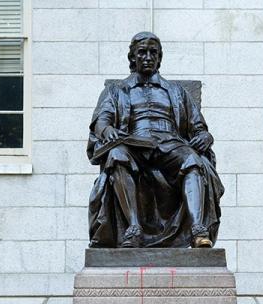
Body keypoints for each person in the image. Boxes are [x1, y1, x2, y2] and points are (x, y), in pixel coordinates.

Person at [87, 31, 224, 249]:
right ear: (132, 58)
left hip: (170, 144)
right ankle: (133, 229)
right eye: (142, 52)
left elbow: (198, 127)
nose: (148, 57)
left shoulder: (177, 92)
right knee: (116, 154)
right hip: (134, 144)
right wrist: (107, 131)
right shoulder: (117, 90)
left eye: (154, 53)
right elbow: (101, 121)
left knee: (193, 160)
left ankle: (198, 230)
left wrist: (205, 136)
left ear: (160, 58)